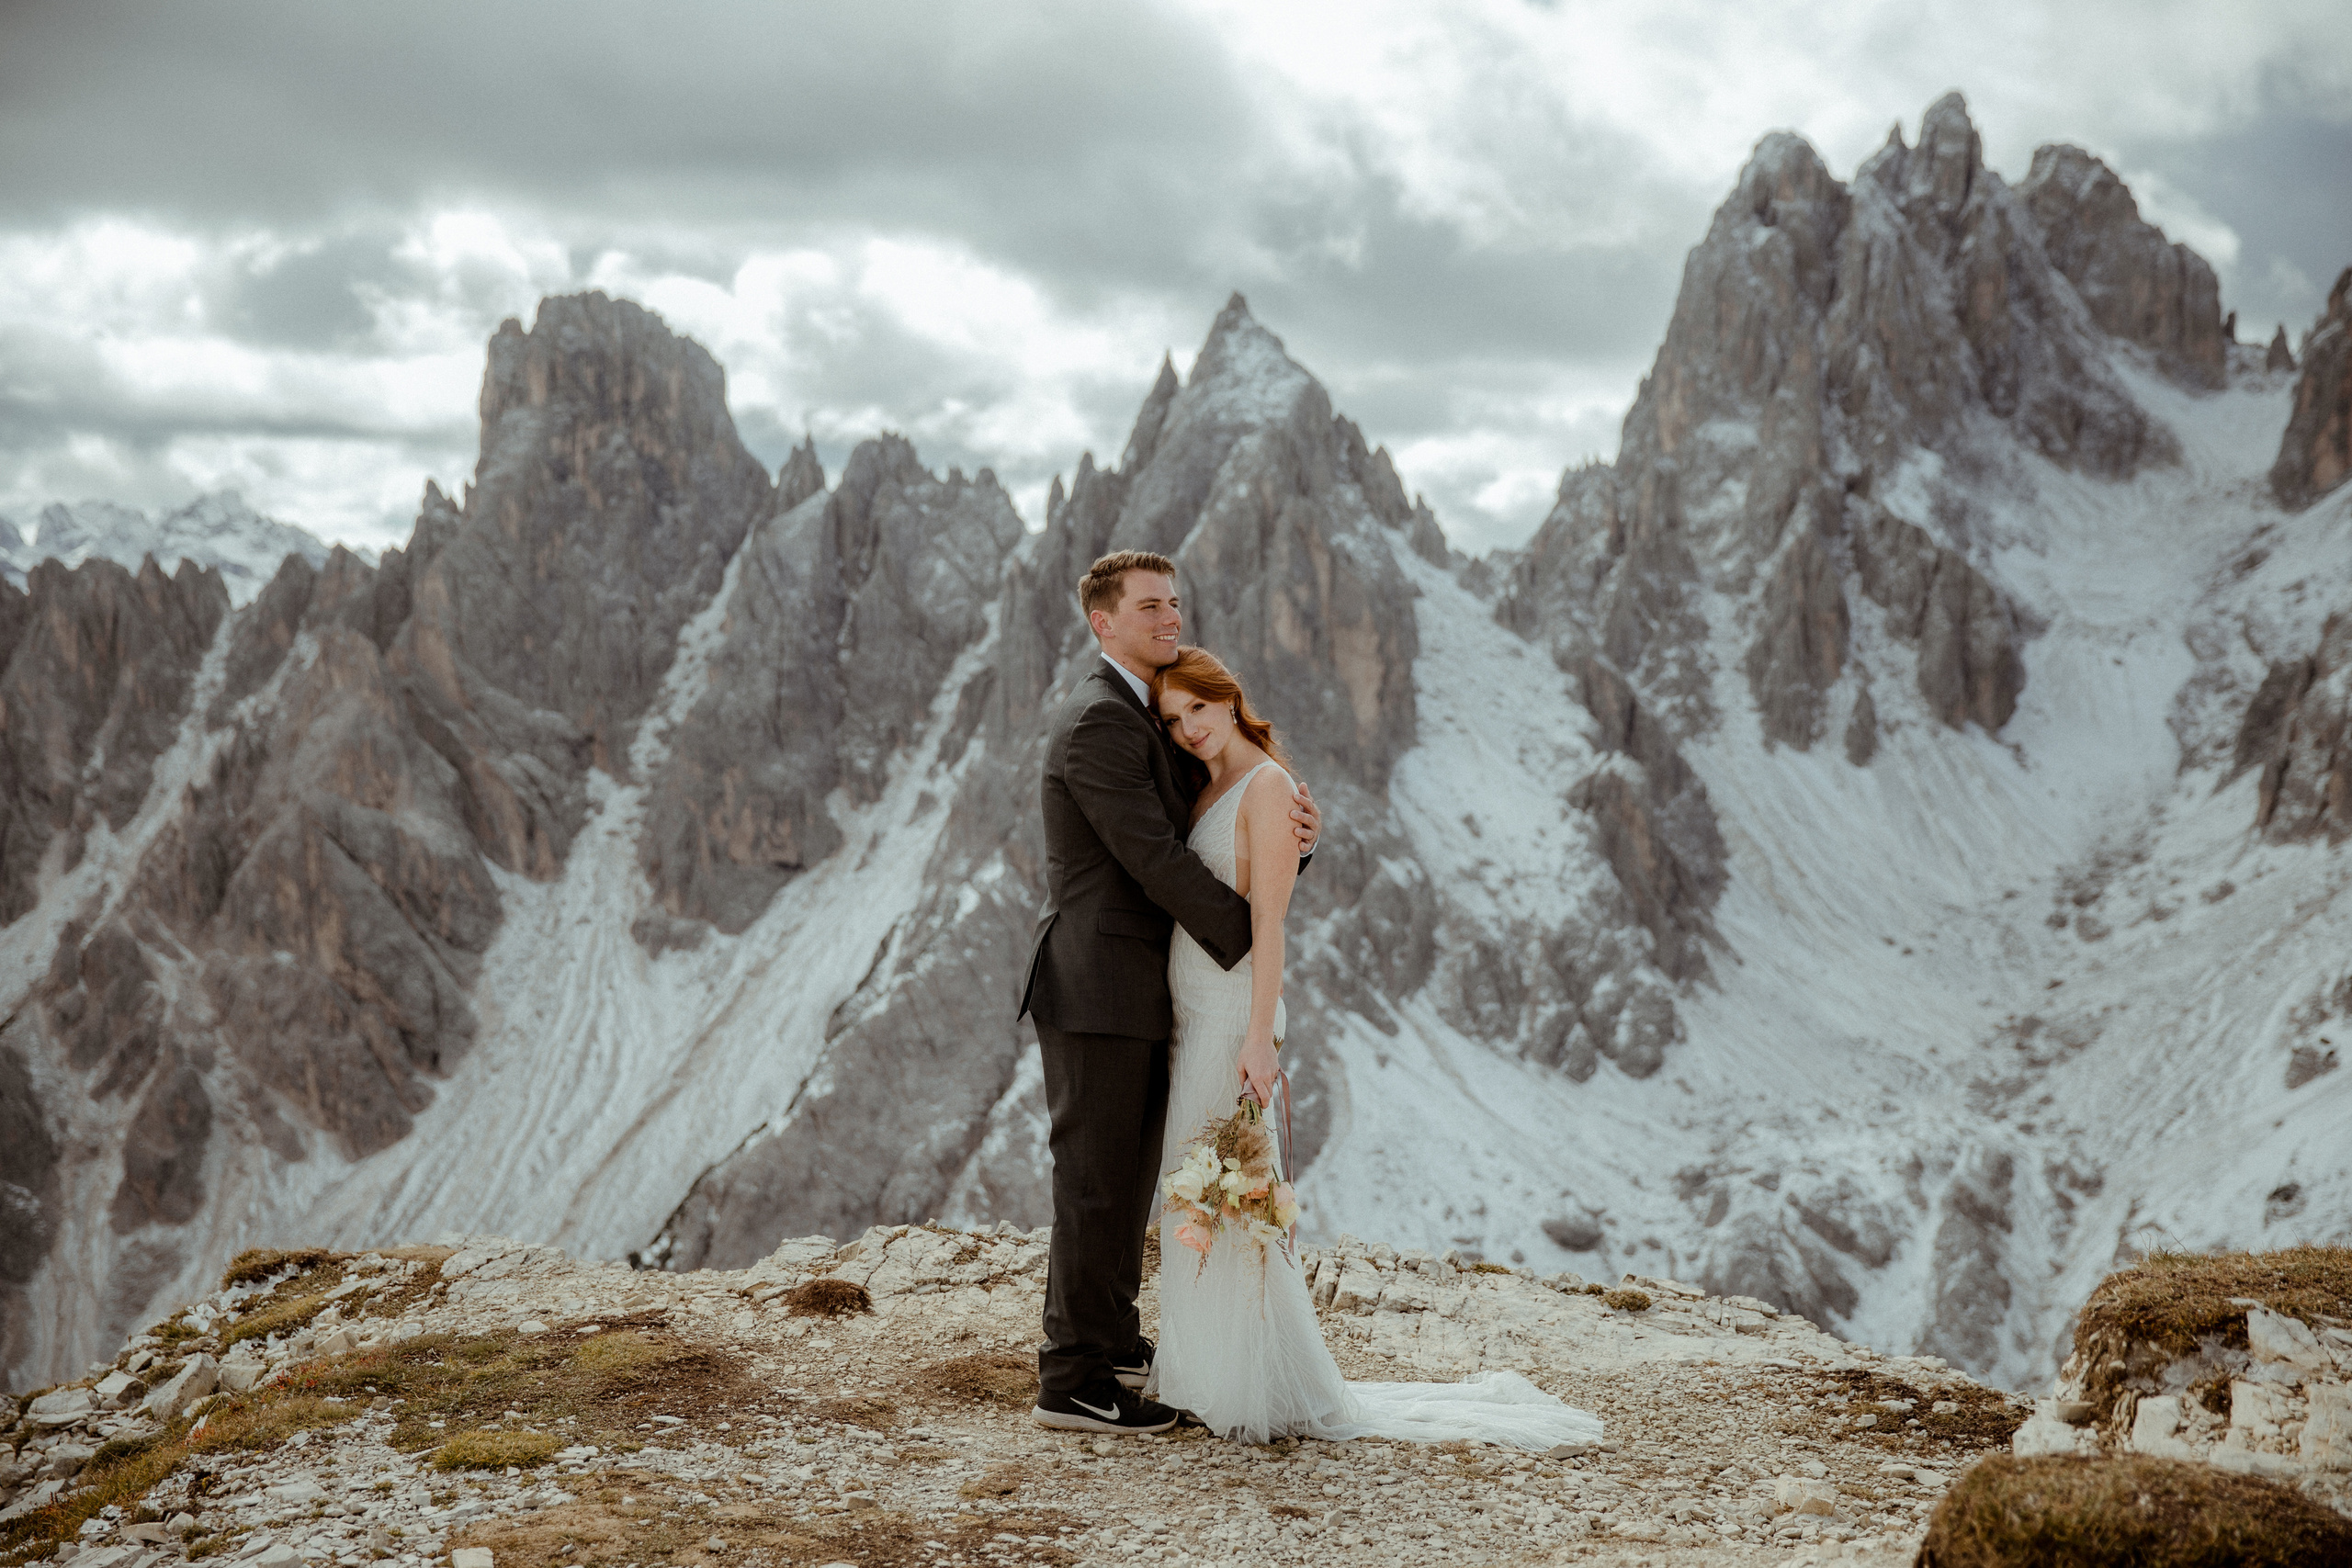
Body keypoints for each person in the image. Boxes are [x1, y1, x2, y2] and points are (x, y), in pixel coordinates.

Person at [1140, 646, 1606, 1449]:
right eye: (1174, 720)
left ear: (1229, 699)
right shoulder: (1208, 783)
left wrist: (1258, 1037)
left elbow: (1269, 923)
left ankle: (1251, 1382)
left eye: (1198, 711)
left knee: (1231, 1196)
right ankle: (1206, 1371)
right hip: (1193, 1013)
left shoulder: (1270, 787)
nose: (1188, 730)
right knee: (1195, 1194)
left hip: (1231, 1018)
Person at [1016, 550, 1320, 1436]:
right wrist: (1252, 934)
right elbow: (1153, 856)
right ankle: (1072, 1377)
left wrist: (1293, 847)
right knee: (1098, 1185)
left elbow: (1232, 820)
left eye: (1175, 603)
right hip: (1099, 986)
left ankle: (1108, 1336)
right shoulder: (1099, 722)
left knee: (1128, 1173)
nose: (1169, 618)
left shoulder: (1142, 713)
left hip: (1146, 991)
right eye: (1149, 607)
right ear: (1101, 622)